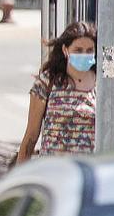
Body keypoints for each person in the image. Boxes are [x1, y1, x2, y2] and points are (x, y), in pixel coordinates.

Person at [17, 22, 99, 164]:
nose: (84, 55)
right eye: (78, 50)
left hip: (89, 173)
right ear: (65, 50)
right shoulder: (47, 82)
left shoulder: (102, 84)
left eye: (89, 50)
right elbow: (31, 136)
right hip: (54, 173)